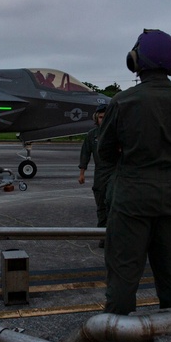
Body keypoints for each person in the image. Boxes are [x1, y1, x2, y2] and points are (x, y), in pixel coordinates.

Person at [79, 29, 171, 342]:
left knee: (122, 281)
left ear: (136, 61)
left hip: (132, 198)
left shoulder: (124, 102)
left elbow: (105, 151)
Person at [78, 102, 113, 244]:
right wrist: (82, 173)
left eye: (106, 117)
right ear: (96, 118)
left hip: (115, 172)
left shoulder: (117, 133)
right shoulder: (92, 135)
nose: (103, 120)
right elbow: (85, 154)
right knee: (101, 205)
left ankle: (113, 236)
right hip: (100, 174)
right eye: (101, 117)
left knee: (112, 204)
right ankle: (102, 235)